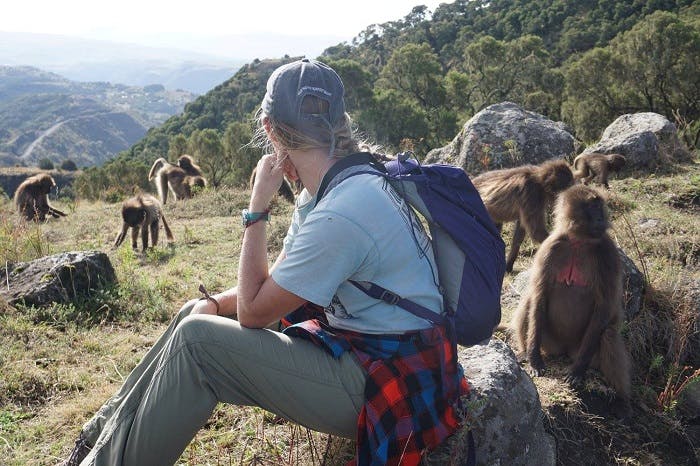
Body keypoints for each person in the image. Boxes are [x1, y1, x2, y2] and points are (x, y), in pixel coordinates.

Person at [63, 58, 467, 466]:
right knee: (196, 312)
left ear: (270, 129)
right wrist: (214, 303)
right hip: (371, 347)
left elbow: (254, 312)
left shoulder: (340, 213)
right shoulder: (336, 184)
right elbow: (277, 283)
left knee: (198, 342)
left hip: (393, 383)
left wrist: (257, 208)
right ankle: (96, 439)